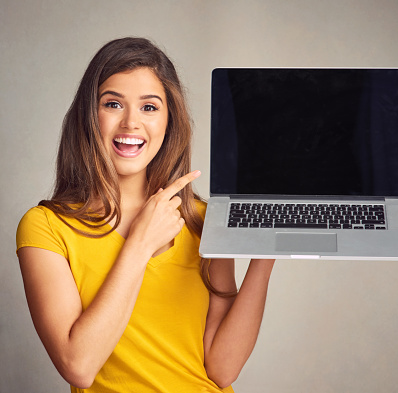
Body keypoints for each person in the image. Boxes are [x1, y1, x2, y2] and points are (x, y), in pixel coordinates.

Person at [16, 37, 275, 393]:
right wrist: (140, 243)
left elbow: (222, 369)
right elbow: (78, 365)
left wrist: (269, 250)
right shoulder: (46, 227)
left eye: (149, 108)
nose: (131, 123)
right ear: (89, 117)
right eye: (112, 104)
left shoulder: (203, 220)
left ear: (170, 120)